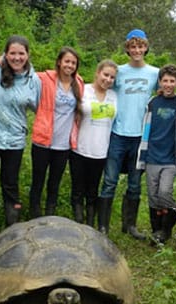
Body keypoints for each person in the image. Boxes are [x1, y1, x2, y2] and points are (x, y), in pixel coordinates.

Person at [0, 35, 41, 244]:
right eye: (12, 53)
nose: (17, 57)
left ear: (28, 55)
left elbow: (40, 107)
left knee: (10, 184)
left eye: (21, 53)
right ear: (5, 54)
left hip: (15, 139)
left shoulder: (33, 79)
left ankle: (12, 229)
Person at [96, 29, 159, 239]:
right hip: (118, 133)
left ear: (146, 47)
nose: (137, 50)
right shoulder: (119, 71)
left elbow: (165, 93)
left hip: (141, 136)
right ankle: (103, 226)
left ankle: (129, 225)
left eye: (141, 46)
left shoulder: (154, 73)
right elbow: (102, 88)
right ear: (127, 48)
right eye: (133, 46)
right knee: (110, 180)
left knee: (134, 183)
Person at [30, 46, 84, 218]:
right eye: (67, 61)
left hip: (63, 144)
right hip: (43, 140)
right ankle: (35, 215)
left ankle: (49, 215)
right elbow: (24, 76)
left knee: (54, 182)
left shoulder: (79, 83)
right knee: (37, 181)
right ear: (59, 62)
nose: (70, 65)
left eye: (73, 63)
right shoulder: (45, 79)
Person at [136, 64, 176, 244]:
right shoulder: (153, 103)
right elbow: (145, 128)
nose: (168, 84)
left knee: (164, 192)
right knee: (153, 196)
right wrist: (143, 155)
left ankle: (168, 225)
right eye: (165, 81)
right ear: (159, 83)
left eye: (172, 81)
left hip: (170, 157)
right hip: (152, 155)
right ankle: (158, 231)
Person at [69, 59, 118, 226]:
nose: (108, 79)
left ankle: (90, 224)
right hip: (80, 149)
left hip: (101, 151)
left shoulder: (114, 96)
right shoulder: (83, 90)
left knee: (93, 190)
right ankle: (78, 222)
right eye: (105, 75)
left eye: (112, 77)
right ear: (97, 73)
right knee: (78, 190)